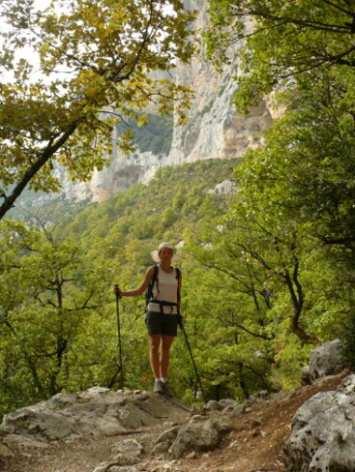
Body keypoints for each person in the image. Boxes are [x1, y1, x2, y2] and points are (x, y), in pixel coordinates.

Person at [114, 242, 182, 396]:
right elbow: (140, 290)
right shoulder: (153, 270)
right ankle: (157, 380)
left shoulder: (177, 273)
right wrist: (122, 293)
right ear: (159, 254)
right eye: (163, 252)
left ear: (172, 255)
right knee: (154, 346)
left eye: (168, 252)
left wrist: (179, 313)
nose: (166, 255)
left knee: (166, 348)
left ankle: (164, 380)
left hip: (171, 312)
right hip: (155, 311)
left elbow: (178, 295)